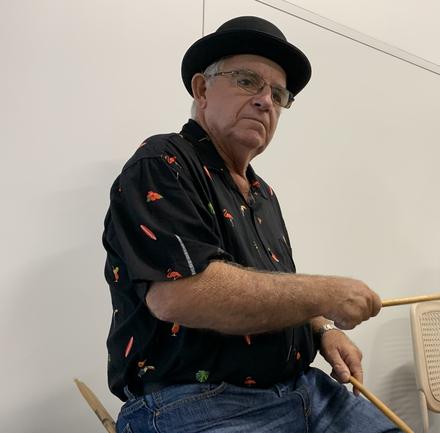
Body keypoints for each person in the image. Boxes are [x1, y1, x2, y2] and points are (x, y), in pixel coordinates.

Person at [102, 15, 400, 433]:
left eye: (278, 94)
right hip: (196, 401)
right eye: (247, 81)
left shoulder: (264, 194)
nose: (266, 100)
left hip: (302, 390)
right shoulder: (163, 161)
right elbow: (180, 294)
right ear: (202, 89)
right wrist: (328, 293)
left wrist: (322, 327)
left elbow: (275, 288)